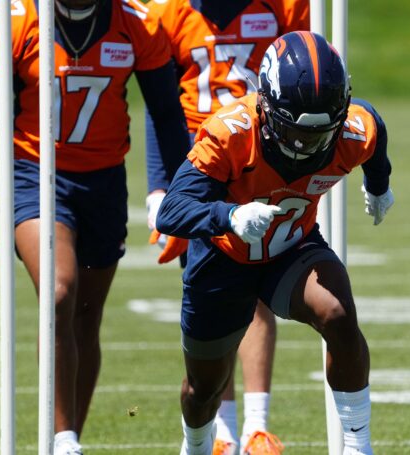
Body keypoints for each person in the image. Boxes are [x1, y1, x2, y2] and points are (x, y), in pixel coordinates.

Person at [0, 0, 190, 454]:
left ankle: (67, 439)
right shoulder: (14, 21)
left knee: (85, 314)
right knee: (59, 291)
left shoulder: (136, 22)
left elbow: (165, 111)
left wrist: (178, 198)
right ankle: (62, 441)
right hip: (36, 176)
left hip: (104, 181)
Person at [156, 31, 395, 455]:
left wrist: (379, 184)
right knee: (203, 390)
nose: (306, 146)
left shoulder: (352, 130)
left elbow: (373, 125)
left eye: (320, 134)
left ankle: (358, 447)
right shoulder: (230, 133)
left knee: (338, 314)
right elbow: (171, 211)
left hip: (290, 248)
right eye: (296, 132)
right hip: (222, 259)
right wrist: (227, 215)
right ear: (265, 106)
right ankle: (196, 444)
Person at [142, 1, 309, 453]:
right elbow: (160, 105)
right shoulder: (171, 13)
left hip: (264, 155)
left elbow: (310, 71)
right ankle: (223, 430)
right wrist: (159, 186)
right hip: (202, 161)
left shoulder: (282, 7)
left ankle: (255, 425)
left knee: (256, 291)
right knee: (214, 301)